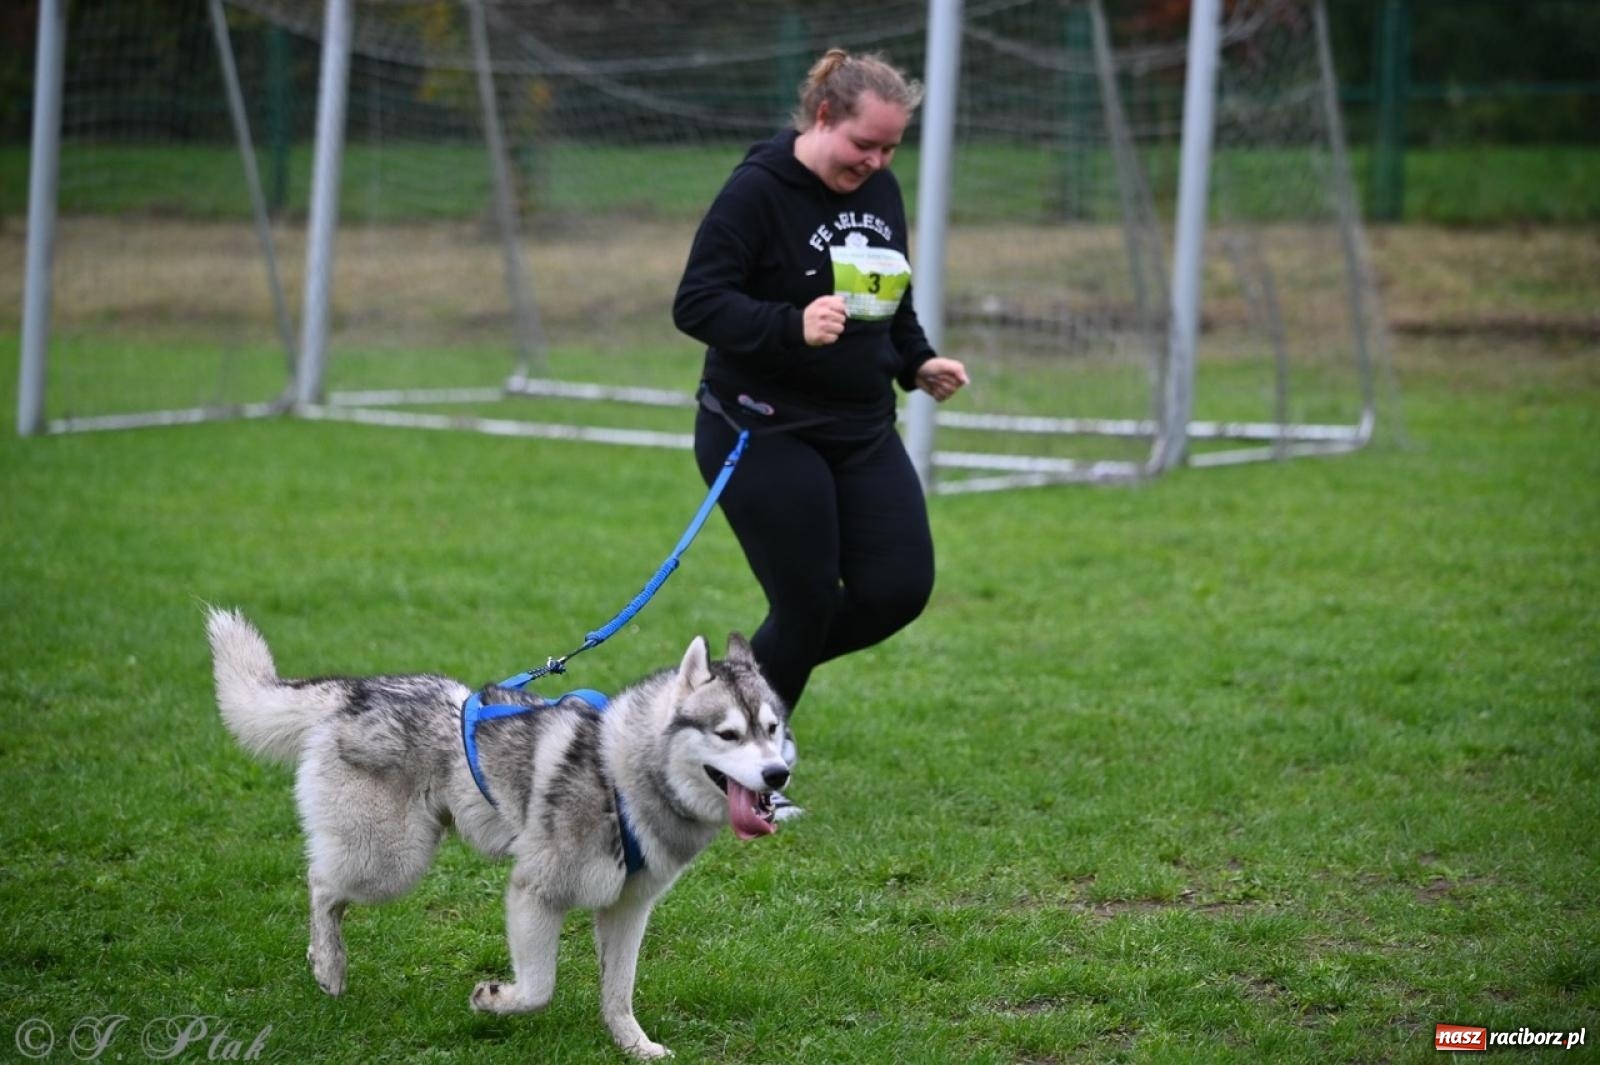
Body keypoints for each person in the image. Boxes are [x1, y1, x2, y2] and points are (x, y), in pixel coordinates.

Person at [673, 48, 969, 757]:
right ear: (825, 115)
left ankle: (715, 705)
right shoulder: (758, 190)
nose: (876, 161)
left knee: (898, 588)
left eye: (892, 147)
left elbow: (888, 297)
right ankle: (750, 759)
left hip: (860, 429)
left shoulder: (881, 191)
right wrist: (789, 324)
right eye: (864, 143)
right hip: (761, 427)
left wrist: (918, 359)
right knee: (806, 603)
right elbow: (697, 302)